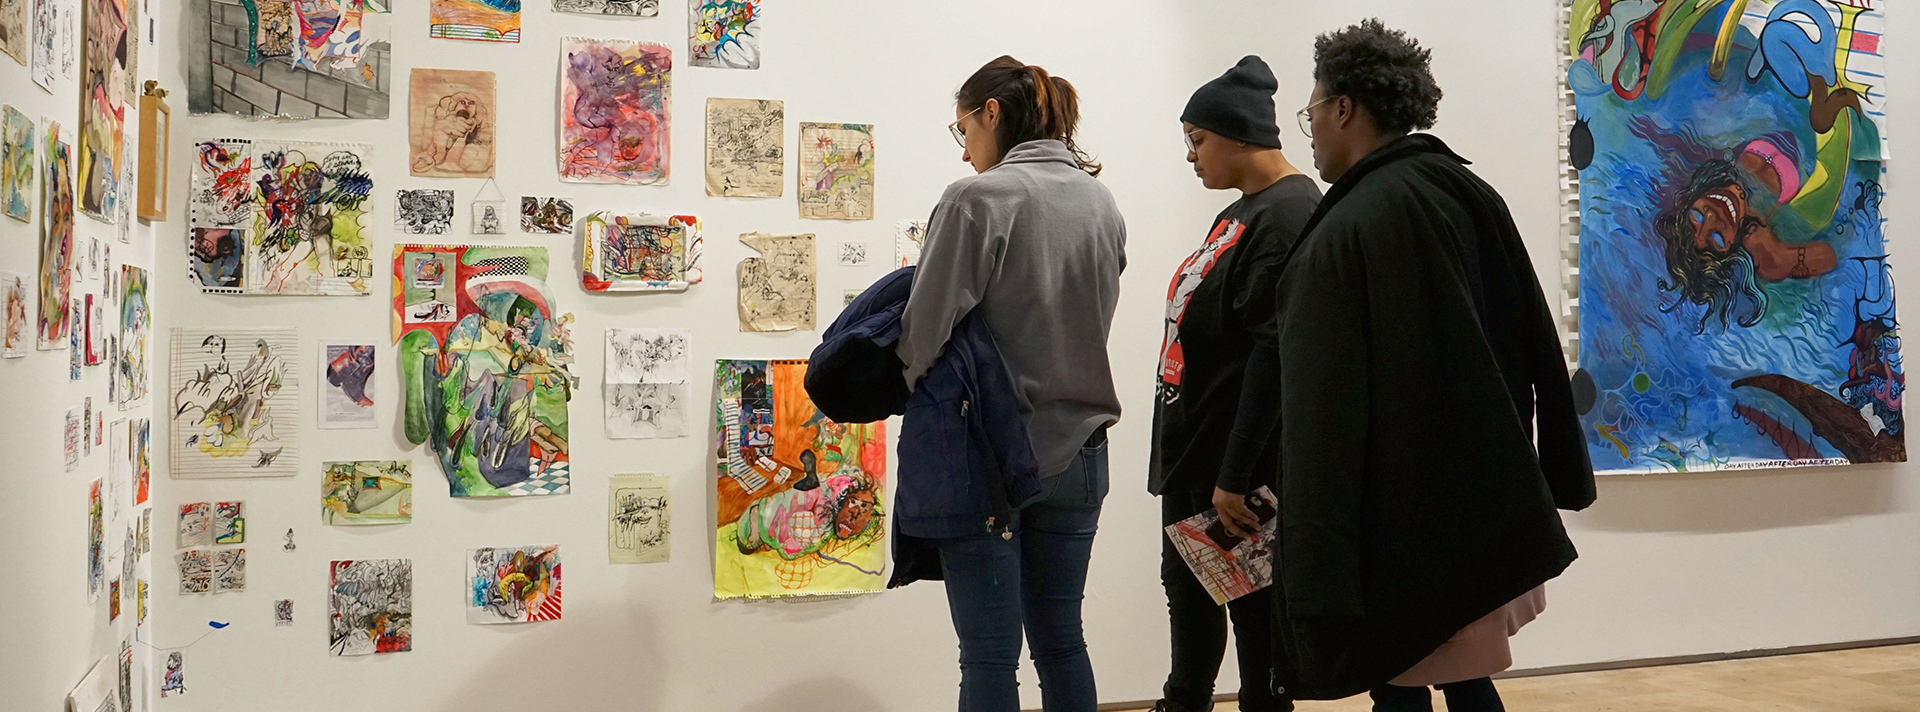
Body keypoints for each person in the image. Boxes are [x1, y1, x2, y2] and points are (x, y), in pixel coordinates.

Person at [1232, 19, 1597, 709]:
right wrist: (1552, 470)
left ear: (1345, 108)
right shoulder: (1463, 192)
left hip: (1394, 516)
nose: (1308, 125)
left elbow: (1322, 404)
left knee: (1401, 677)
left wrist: (1318, 555)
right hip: (1475, 496)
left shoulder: (1347, 227)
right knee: (1457, 677)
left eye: (1312, 106)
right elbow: (1535, 340)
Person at [896, 56, 1127, 712]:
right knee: (1062, 642)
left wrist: (908, 376)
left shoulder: (977, 198)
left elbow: (924, 332)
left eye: (962, 127)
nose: (965, 147)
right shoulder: (1100, 200)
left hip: (992, 455)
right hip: (1082, 453)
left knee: (990, 656)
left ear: (991, 112)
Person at [1148, 56, 1321, 712]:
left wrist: (1235, 472)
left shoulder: (1287, 212)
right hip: (1198, 455)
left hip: (1234, 468)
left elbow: (1271, 356)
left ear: (1240, 135)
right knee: (1190, 601)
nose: (1191, 157)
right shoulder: (1245, 210)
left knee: (1254, 619)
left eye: (1197, 140)